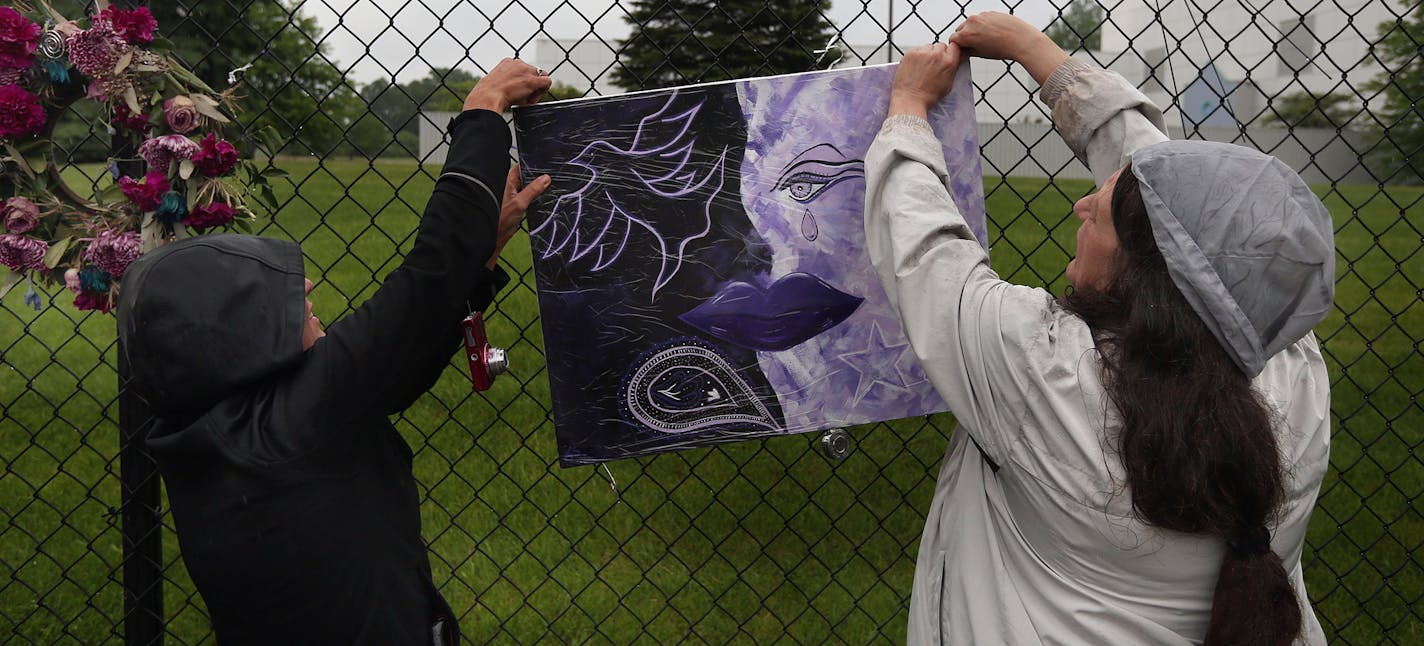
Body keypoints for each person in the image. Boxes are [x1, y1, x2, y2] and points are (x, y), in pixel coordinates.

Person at [864, 13, 1334, 646]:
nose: (1082, 204)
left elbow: (924, 253)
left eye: (1101, 214)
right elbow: (1180, 202)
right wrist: (1040, 55)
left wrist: (908, 106)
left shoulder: (1043, 375)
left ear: (1140, 273)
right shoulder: (1292, 370)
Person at [116, 59, 552, 644]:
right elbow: (428, 279)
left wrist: (483, 254)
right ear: (228, 338)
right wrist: (481, 113)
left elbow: (393, 378)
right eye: (268, 295)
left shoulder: (223, 429)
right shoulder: (297, 421)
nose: (304, 287)